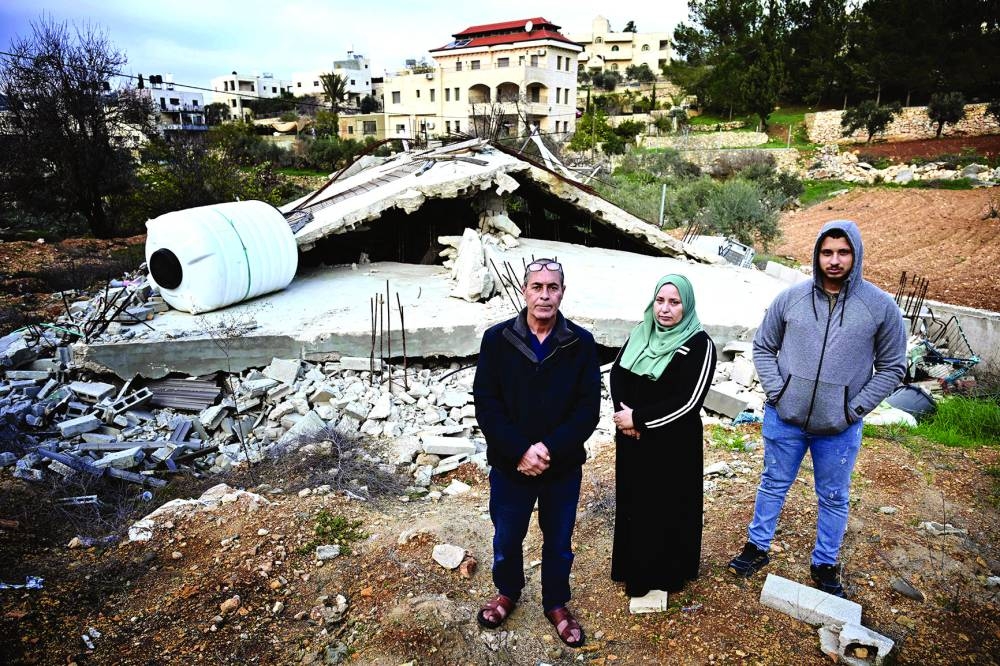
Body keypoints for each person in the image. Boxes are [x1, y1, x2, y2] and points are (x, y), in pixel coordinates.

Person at [728, 220, 906, 597]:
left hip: (839, 426)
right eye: (827, 252)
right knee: (773, 483)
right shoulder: (790, 299)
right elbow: (763, 347)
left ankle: (825, 562)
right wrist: (778, 392)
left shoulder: (879, 306)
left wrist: (853, 409)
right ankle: (756, 548)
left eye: (843, 252)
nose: (835, 260)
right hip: (785, 418)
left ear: (855, 255)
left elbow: (893, 366)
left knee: (834, 496)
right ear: (816, 255)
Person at [473, 258, 600, 648]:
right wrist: (519, 451)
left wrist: (548, 448)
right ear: (525, 290)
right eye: (537, 286)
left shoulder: (580, 343)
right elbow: (486, 403)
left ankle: (556, 603)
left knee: (558, 541)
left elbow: (587, 410)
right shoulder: (497, 340)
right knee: (507, 537)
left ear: (562, 292)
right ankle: (507, 592)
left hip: (560, 467)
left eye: (553, 287)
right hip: (512, 466)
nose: (545, 295)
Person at [610, 274, 717, 604]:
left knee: (667, 508)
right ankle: (633, 570)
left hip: (673, 448)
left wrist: (639, 419)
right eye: (660, 301)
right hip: (633, 442)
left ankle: (665, 574)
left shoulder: (700, 344)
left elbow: (689, 400)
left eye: (674, 302)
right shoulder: (640, 333)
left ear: (686, 305)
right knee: (634, 505)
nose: (665, 309)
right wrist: (623, 419)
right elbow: (616, 374)